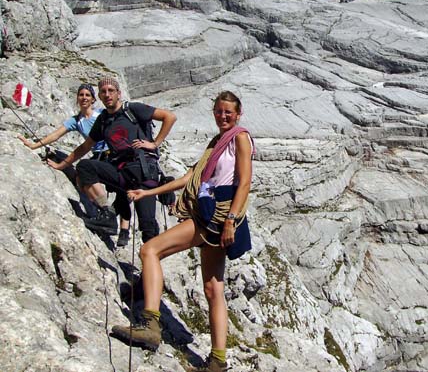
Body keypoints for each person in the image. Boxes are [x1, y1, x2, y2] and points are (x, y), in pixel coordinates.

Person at [111, 91, 253, 372]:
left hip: (214, 216)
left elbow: (245, 181)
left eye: (228, 112)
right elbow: (191, 177)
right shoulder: (217, 142)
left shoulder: (239, 138)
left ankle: (150, 324)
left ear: (238, 114)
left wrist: (230, 220)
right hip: (214, 215)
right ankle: (218, 362)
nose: (222, 116)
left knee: (149, 250)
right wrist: (149, 191)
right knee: (214, 289)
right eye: (218, 111)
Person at [48, 77, 177, 243]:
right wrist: (62, 165)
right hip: (123, 172)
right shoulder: (103, 120)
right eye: (103, 91)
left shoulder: (132, 109)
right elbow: (85, 147)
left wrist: (154, 143)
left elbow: (169, 117)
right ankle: (107, 214)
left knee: (148, 226)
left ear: (118, 93)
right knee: (86, 167)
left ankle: (150, 265)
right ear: (100, 97)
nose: (107, 94)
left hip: (143, 172)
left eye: (111, 91)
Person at [16, 84, 131, 234]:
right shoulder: (76, 120)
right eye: (81, 95)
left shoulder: (102, 113)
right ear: (77, 99)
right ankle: (105, 212)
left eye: (87, 95)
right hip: (98, 156)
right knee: (81, 181)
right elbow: (56, 135)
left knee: (122, 190)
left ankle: (121, 227)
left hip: (114, 154)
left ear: (93, 100)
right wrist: (34, 145)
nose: (84, 98)